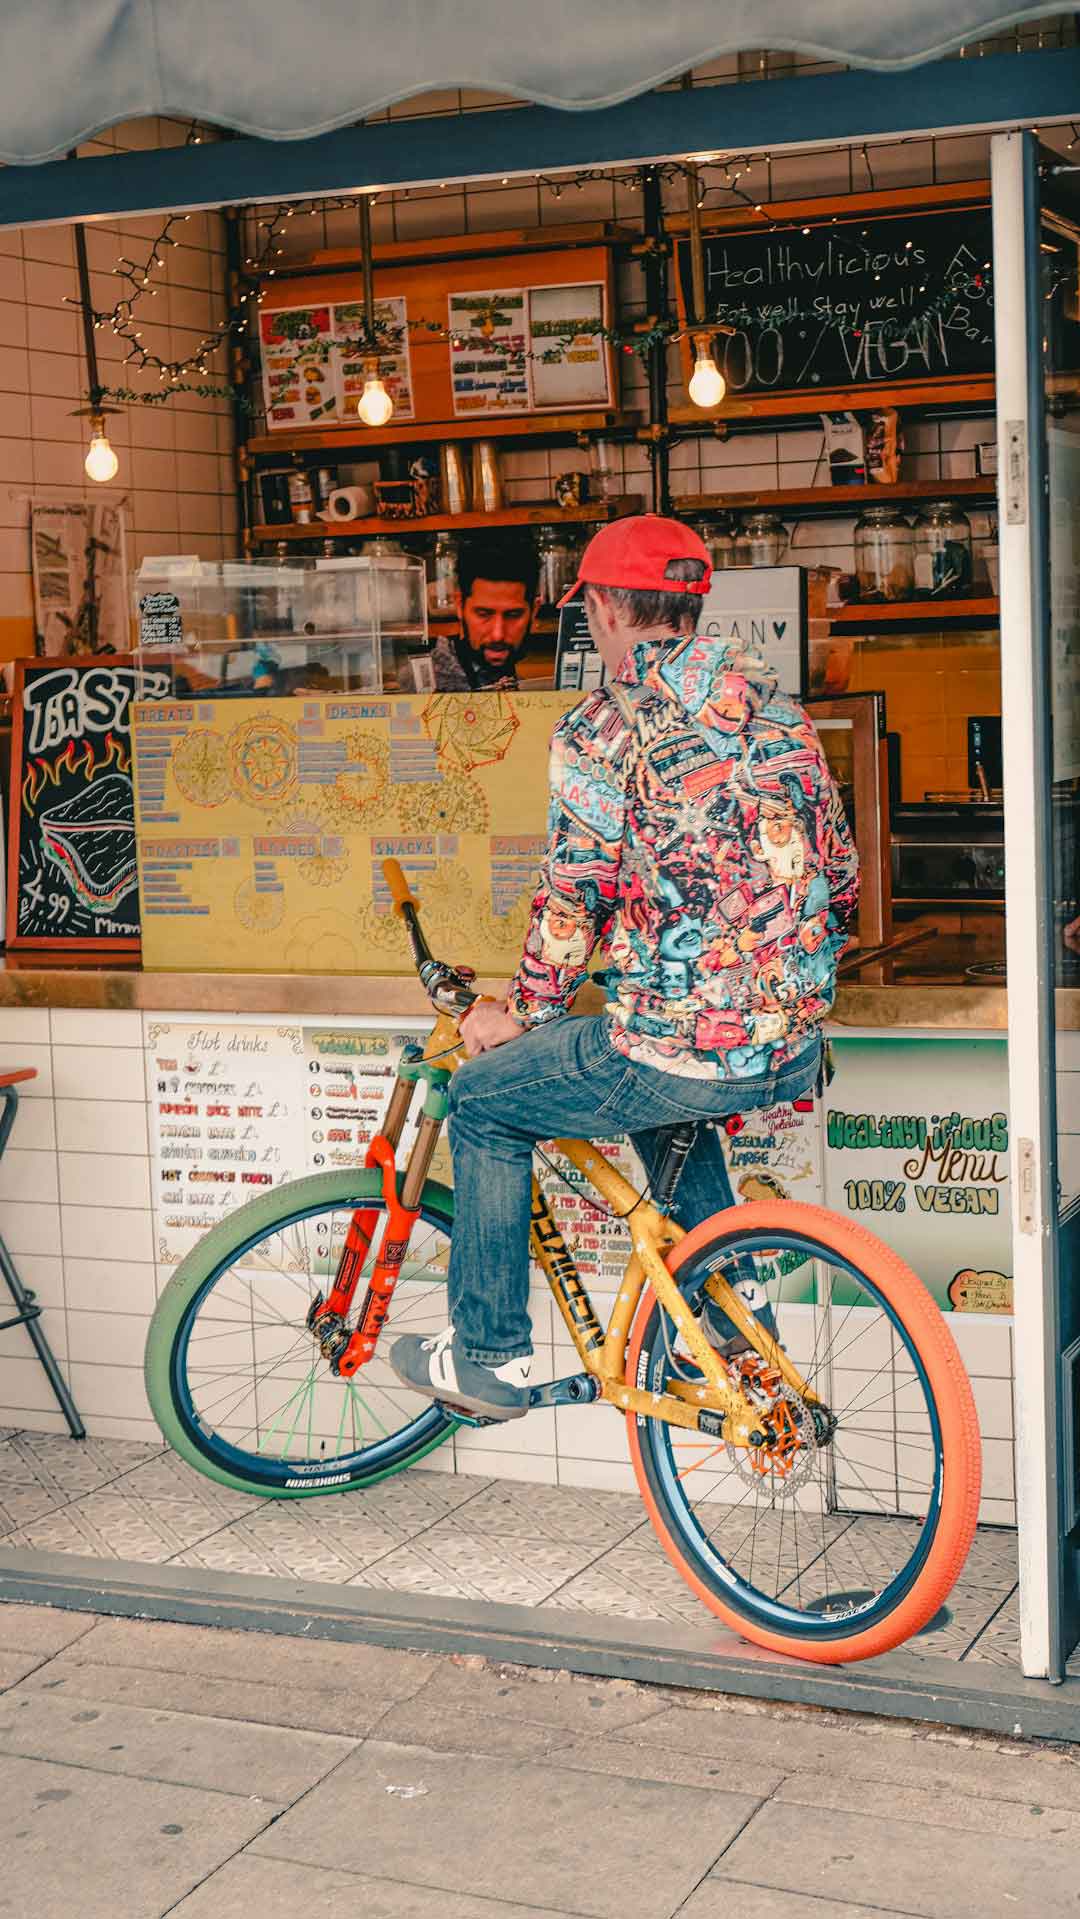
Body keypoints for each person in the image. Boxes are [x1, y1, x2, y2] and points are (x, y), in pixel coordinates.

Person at [392, 515, 859, 1420]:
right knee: (667, 1104)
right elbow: (838, 876)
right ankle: (731, 1333)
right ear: (692, 602)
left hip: (677, 1044)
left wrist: (519, 1012)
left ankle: (489, 1356)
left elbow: (574, 899)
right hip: (794, 1039)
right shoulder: (779, 710)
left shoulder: (603, 727)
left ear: (603, 608)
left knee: (487, 1098)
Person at [430, 538, 539, 691]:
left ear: (534, 611)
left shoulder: (541, 682)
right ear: (460, 606)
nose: (498, 635)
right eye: (483, 614)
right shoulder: (421, 682)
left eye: (513, 615)